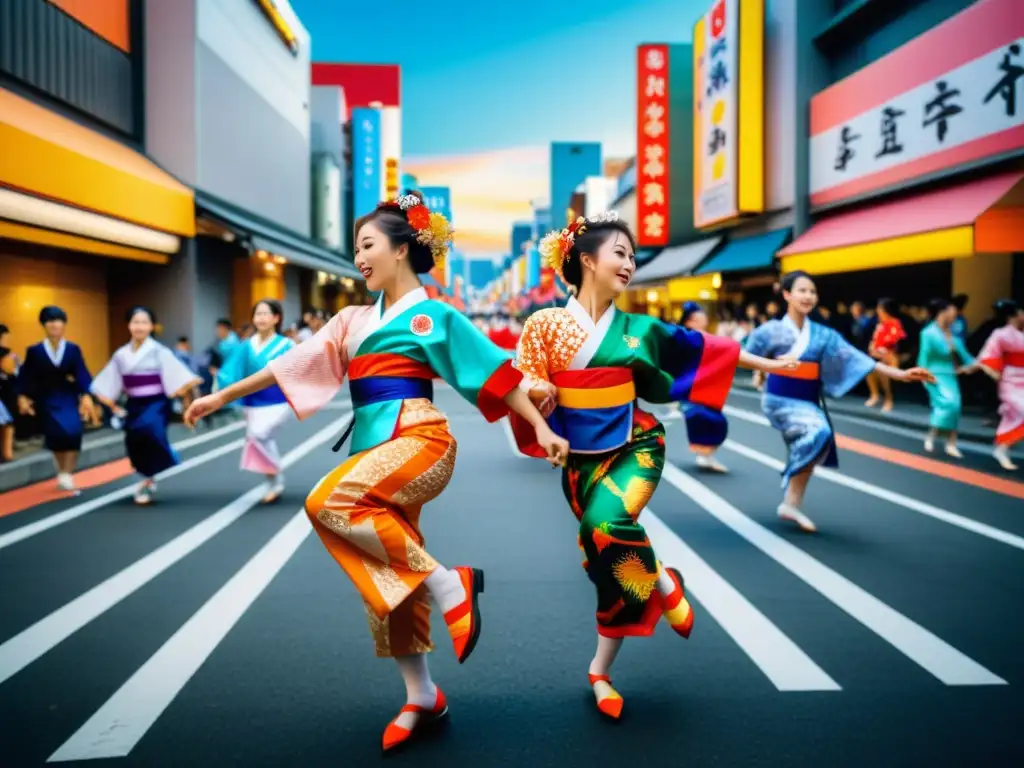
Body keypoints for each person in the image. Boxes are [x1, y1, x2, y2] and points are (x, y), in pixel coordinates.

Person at [183, 192, 567, 753]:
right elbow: (289, 364)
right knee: (384, 577)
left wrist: (544, 427)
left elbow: (495, 373)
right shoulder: (351, 320)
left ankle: (448, 583)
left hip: (420, 438)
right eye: (355, 248)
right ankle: (422, 696)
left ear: (403, 248)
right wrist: (222, 396)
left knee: (326, 503)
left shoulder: (434, 313)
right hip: (370, 448)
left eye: (367, 245)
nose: (358, 258)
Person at [508, 213, 795, 721]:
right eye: (619, 252)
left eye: (632, 256)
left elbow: (707, 349)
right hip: (577, 456)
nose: (629, 263)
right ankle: (602, 670)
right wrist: (539, 397)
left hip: (636, 441)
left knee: (606, 525)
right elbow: (524, 377)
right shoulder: (544, 324)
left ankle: (661, 584)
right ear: (586, 260)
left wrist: (768, 365)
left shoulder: (640, 328)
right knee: (609, 567)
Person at [745, 272, 933, 533]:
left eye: (812, 291)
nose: (808, 296)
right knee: (818, 432)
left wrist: (901, 373)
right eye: (801, 290)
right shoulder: (769, 331)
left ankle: (792, 503)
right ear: (787, 295)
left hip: (808, 398)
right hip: (779, 398)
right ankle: (791, 482)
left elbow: (858, 358)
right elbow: (741, 353)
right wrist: (760, 370)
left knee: (815, 444)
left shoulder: (824, 335)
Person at [90, 307, 202, 505]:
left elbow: (177, 375)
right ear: (128, 325)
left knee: (150, 431)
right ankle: (146, 478)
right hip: (134, 403)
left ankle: (161, 461)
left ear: (151, 326)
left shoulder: (159, 351)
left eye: (143, 322)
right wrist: (109, 402)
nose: (139, 326)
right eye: (135, 322)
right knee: (134, 441)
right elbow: (111, 381)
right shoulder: (121, 354)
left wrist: (188, 395)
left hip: (156, 402)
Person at [216, 300, 295, 502]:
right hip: (252, 402)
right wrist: (222, 383)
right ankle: (273, 482)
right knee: (261, 439)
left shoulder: (287, 345)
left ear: (276, 318)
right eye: (257, 314)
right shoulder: (246, 345)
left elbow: (300, 370)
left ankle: (275, 474)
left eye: (265, 314)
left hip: (278, 401)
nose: (261, 318)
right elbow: (232, 369)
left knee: (258, 435)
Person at [15, 306, 98, 492]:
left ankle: (67, 472)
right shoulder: (35, 351)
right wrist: (22, 396)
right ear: (44, 325)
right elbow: (26, 375)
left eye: (58, 320)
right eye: (50, 321)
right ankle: (61, 470)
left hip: (68, 396)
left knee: (74, 432)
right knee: (56, 435)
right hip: (46, 398)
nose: (54, 324)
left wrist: (86, 395)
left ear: (64, 324)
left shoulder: (72, 349)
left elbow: (82, 373)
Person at [917, 298, 999, 458]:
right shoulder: (927, 333)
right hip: (933, 375)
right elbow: (923, 358)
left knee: (954, 407)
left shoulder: (954, 336)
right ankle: (935, 436)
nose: (954, 315)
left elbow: (967, 357)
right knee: (948, 405)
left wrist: (984, 366)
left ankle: (949, 442)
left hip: (950, 376)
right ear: (943, 313)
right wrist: (922, 376)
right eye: (951, 312)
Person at [663, 302, 729, 473]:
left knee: (715, 421)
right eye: (700, 317)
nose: (704, 319)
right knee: (701, 417)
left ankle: (705, 456)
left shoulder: (704, 337)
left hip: (706, 387)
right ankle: (704, 456)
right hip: (690, 387)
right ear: (690, 321)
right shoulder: (687, 338)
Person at [977, 300, 1024, 470]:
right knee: (1021, 411)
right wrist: (993, 372)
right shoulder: (1000, 334)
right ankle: (1002, 448)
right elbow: (986, 355)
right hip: (1010, 379)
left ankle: (1002, 449)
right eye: (1021, 313)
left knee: (1014, 416)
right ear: (1014, 315)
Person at [865, 298, 907, 412]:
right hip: (877, 355)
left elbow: (896, 342)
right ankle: (874, 395)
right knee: (867, 365)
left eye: (879, 308)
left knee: (883, 367)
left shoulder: (895, 323)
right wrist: (873, 347)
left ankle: (889, 399)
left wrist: (883, 350)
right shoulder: (880, 325)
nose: (877, 310)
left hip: (891, 356)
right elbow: (874, 341)